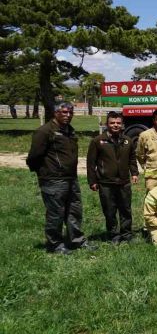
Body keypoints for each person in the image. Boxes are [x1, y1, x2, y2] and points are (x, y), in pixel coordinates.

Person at [27, 102, 95, 254]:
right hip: (53, 180)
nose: (68, 115)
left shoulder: (69, 131)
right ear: (55, 113)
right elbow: (34, 157)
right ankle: (55, 244)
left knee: (74, 211)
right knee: (55, 213)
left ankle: (76, 240)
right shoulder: (44, 131)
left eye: (70, 112)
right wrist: (45, 172)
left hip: (71, 178)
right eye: (64, 112)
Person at [86, 111, 139, 244]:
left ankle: (126, 234)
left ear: (122, 124)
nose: (115, 125)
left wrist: (134, 173)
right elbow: (91, 163)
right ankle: (113, 234)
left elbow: (132, 159)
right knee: (109, 210)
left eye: (118, 123)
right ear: (107, 124)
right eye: (112, 123)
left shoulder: (128, 141)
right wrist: (92, 181)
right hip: (106, 183)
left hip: (124, 182)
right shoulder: (98, 141)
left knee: (125, 209)